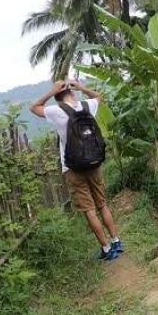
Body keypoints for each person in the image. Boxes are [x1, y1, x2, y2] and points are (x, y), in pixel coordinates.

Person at [31, 79, 122, 261]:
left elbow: (34, 107)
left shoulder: (56, 111)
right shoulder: (87, 106)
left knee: (89, 209)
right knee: (102, 204)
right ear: (72, 92)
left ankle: (106, 249)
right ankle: (116, 241)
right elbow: (98, 96)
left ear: (57, 97)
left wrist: (51, 91)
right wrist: (81, 87)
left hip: (73, 169)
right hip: (94, 163)